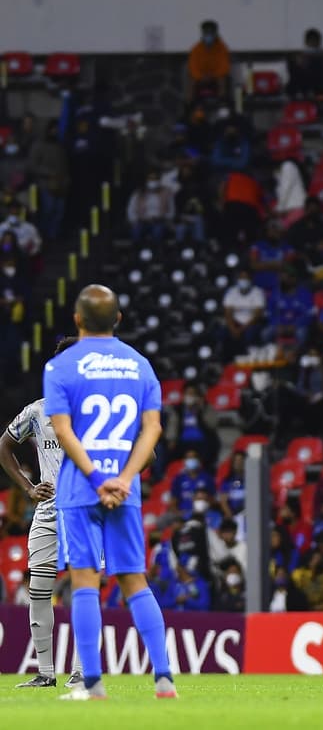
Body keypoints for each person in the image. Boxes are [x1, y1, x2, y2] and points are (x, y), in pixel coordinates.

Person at [43, 285, 176, 700]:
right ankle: (165, 678)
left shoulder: (60, 367)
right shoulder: (140, 365)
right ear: (117, 319)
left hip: (80, 489)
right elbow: (153, 429)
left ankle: (93, 685)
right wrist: (123, 477)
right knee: (135, 580)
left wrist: (97, 477)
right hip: (127, 489)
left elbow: (62, 430)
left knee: (85, 580)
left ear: (77, 319)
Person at [0, 337, 85, 688]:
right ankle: (46, 673)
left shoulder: (95, 410)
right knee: (39, 588)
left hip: (83, 510)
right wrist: (28, 488)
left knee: (84, 588)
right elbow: (4, 445)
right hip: (47, 510)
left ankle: (83, 670)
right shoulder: (38, 410)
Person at [187, 19, 230, 101]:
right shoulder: (196, 49)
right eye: (206, 32)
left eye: (211, 32)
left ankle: (222, 101)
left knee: (222, 80)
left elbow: (224, 66)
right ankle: (190, 106)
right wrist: (200, 76)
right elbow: (192, 66)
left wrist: (214, 75)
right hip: (201, 77)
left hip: (216, 77)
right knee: (191, 81)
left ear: (215, 33)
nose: (208, 35)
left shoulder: (222, 48)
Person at [286, 27, 323, 99]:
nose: (313, 43)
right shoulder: (297, 57)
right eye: (311, 41)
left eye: (315, 41)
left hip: (319, 90)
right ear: (306, 42)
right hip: (301, 89)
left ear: (319, 42)